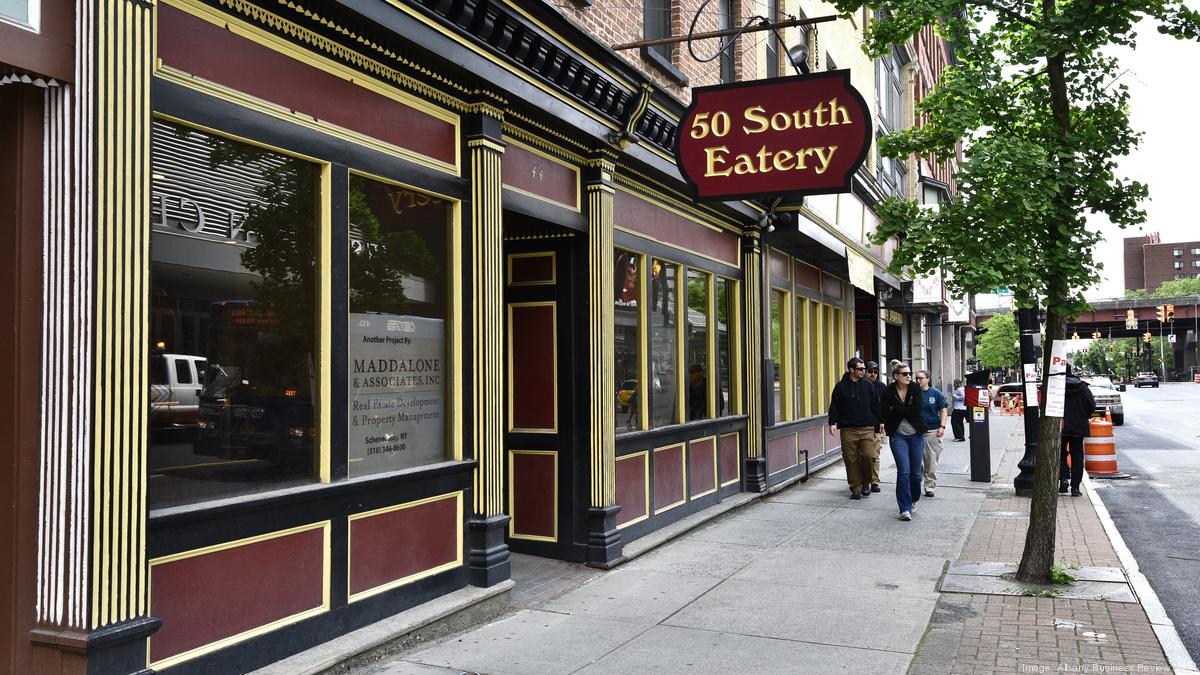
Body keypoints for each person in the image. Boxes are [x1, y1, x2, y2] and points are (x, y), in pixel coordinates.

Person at [828, 357, 883, 500]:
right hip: (848, 429)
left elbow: (876, 405)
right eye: (861, 369)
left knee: (868, 456)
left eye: (864, 369)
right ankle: (855, 487)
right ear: (851, 369)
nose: (864, 371)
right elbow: (835, 406)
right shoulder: (840, 386)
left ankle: (867, 482)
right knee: (850, 459)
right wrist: (832, 422)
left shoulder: (868, 385)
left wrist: (880, 422)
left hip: (867, 428)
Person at [880, 362, 926, 521]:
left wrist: (897, 410)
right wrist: (903, 411)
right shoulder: (888, 391)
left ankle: (913, 498)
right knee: (903, 471)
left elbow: (917, 409)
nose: (908, 376)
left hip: (916, 435)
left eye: (909, 373)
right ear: (896, 376)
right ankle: (904, 508)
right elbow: (885, 412)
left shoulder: (915, 388)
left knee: (914, 474)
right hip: (898, 436)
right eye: (905, 374)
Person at [1060, 363, 1095, 497]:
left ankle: (1063, 478)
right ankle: (1075, 487)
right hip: (1079, 427)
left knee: (1060, 454)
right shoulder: (1082, 387)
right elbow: (1092, 406)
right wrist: (1083, 415)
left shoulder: (1056, 387)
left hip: (1061, 426)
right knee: (1077, 456)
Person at [915, 370, 948, 497]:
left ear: (928, 379)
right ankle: (919, 478)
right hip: (916, 431)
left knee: (931, 460)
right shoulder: (912, 393)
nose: (918, 380)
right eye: (917, 378)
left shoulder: (935, 393)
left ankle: (929, 486)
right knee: (916, 460)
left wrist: (942, 427)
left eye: (921, 378)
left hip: (932, 431)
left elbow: (943, 410)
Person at [864, 361, 887, 493]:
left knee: (875, 455)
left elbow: (885, 407)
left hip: (876, 426)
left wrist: (883, 422)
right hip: (861, 425)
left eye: (875, 372)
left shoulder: (881, 387)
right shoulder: (860, 385)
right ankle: (864, 481)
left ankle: (874, 481)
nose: (873, 374)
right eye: (870, 371)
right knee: (864, 456)